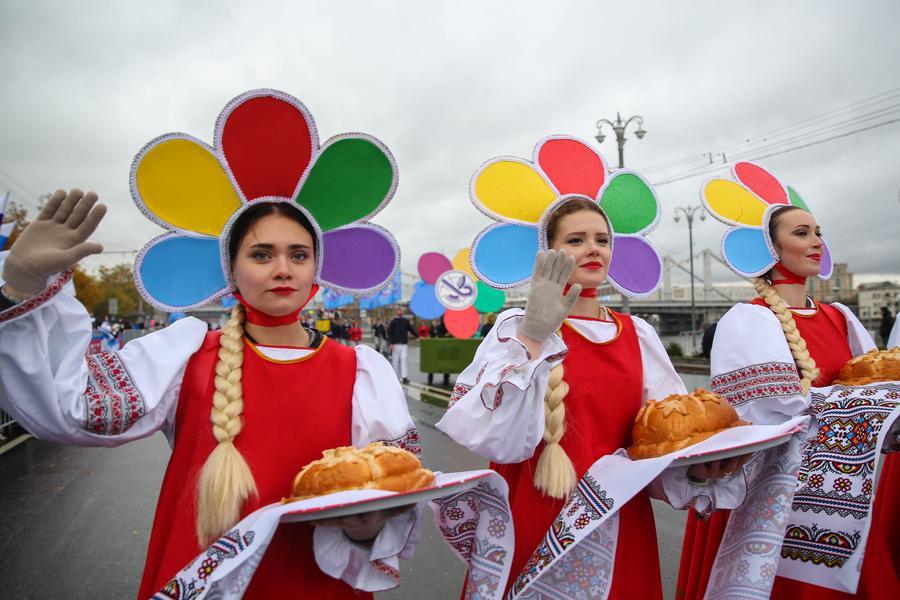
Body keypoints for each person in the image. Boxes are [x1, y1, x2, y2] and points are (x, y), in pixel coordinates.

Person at [0, 90, 419, 598]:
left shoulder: (361, 369)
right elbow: (72, 408)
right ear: (232, 269)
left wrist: (366, 526)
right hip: (203, 577)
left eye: (298, 254)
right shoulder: (185, 353)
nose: (283, 269)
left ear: (316, 269)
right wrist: (20, 290)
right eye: (262, 254)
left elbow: (389, 489)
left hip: (316, 579)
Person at [438, 139, 746, 598]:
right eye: (576, 240)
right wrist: (534, 335)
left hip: (618, 518)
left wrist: (703, 467)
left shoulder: (636, 333)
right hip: (538, 514)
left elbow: (664, 435)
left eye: (602, 240)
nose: (593, 249)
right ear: (549, 251)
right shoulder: (514, 328)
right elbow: (490, 433)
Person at [678, 163, 899, 599]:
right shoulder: (748, 321)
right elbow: (760, 419)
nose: (816, 241)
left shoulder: (840, 316)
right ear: (770, 248)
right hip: (782, 494)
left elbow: (872, 388)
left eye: (818, 232)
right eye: (802, 233)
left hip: (842, 493)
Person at [387, 307, 418, 384]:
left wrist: (418, 336)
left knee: (403, 359)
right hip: (395, 344)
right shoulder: (393, 321)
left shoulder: (406, 321)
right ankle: (395, 377)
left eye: (401, 310)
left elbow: (411, 329)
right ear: (396, 312)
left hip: (404, 343)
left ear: (402, 312)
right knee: (395, 361)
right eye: (398, 310)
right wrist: (390, 343)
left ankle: (404, 377)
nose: (400, 312)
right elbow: (390, 333)